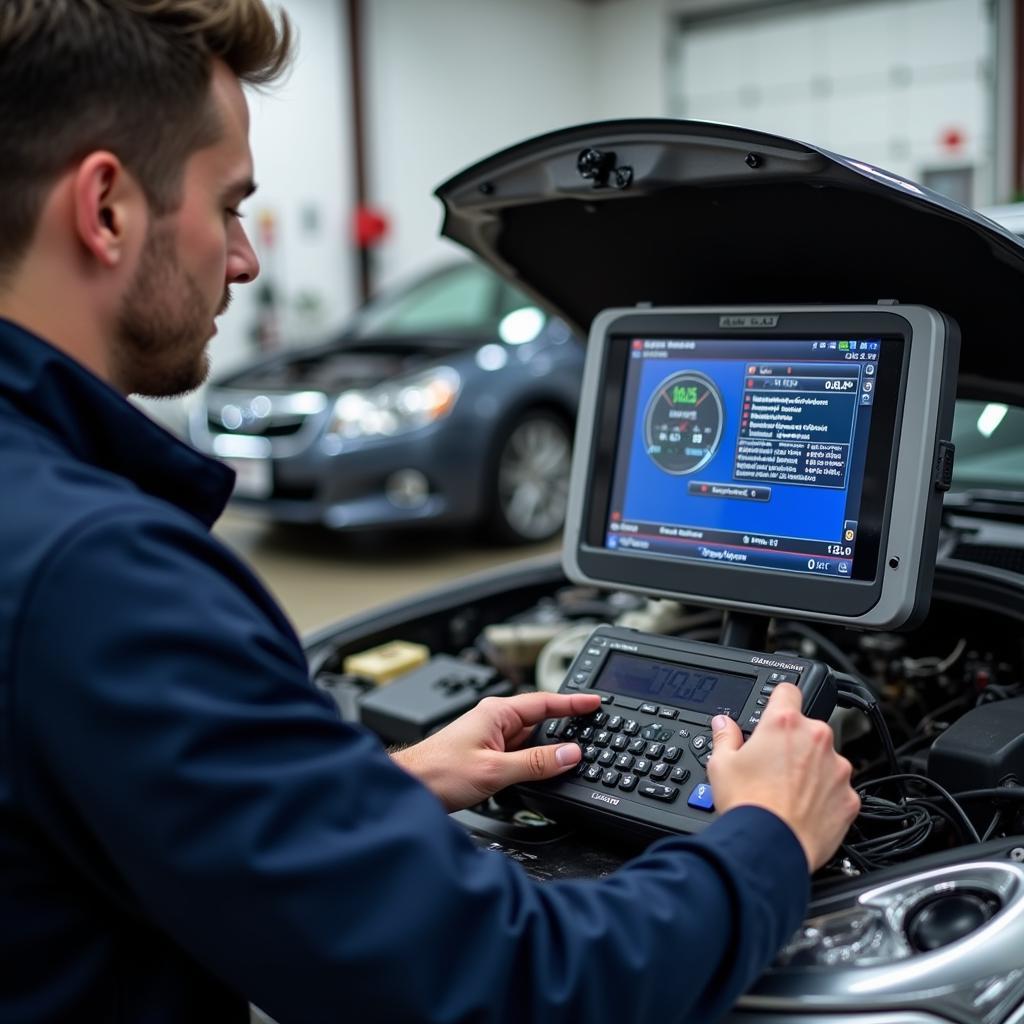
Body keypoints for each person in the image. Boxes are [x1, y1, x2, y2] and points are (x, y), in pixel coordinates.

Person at [0, 3, 860, 1022]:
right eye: (230, 206)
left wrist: (381, 787)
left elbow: (128, 821)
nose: (246, 258)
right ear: (105, 209)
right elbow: (511, 985)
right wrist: (763, 832)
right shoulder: (102, 576)